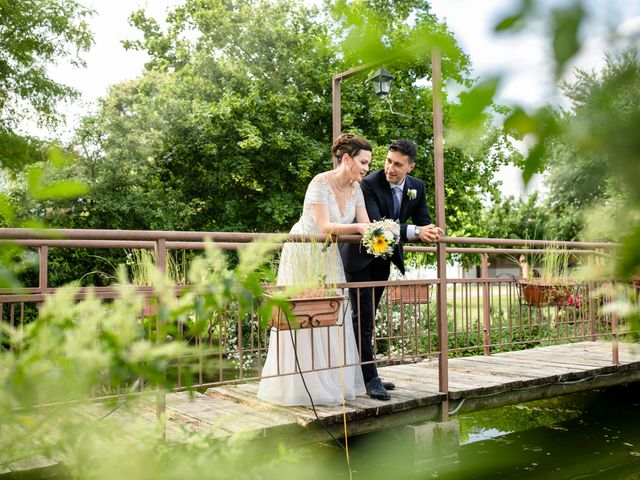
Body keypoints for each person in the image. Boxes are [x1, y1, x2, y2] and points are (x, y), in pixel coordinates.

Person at [257, 133, 372, 406]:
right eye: (364, 162)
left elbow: (366, 223)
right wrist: (359, 228)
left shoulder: (357, 190)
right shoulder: (320, 183)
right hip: (304, 250)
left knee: (331, 311)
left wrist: (381, 233)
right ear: (347, 159)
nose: (367, 169)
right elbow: (325, 227)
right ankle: (301, 383)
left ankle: (329, 381)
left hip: (328, 255)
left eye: (368, 163)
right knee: (304, 313)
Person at [339, 139, 443, 401]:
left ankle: (364, 374)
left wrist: (430, 231)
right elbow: (376, 226)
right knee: (362, 319)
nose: (390, 168)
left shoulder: (417, 188)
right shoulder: (370, 184)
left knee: (368, 318)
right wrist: (416, 232)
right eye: (388, 161)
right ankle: (370, 378)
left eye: (398, 164)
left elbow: (423, 223)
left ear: (410, 166)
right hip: (359, 260)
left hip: (383, 261)